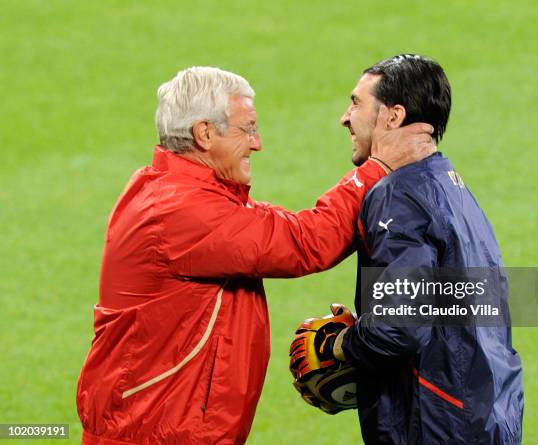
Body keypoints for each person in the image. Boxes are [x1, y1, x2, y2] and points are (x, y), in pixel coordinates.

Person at [76, 66, 436, 445]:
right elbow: (305, 241)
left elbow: (298, 229)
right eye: (247, 129)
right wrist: (377, 169)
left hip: (164, 426)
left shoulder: (193, 196)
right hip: (151, 433)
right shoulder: (176, 210)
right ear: (205, 133)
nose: (257, 142)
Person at [291, 55, 524, 444]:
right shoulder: (455, 190)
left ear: (393, 116)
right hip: (489, 414)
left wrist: (340, 344)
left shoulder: (398, 194)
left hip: (436, 423)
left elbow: (399, 327)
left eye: (356, 103)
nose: (345, 118)